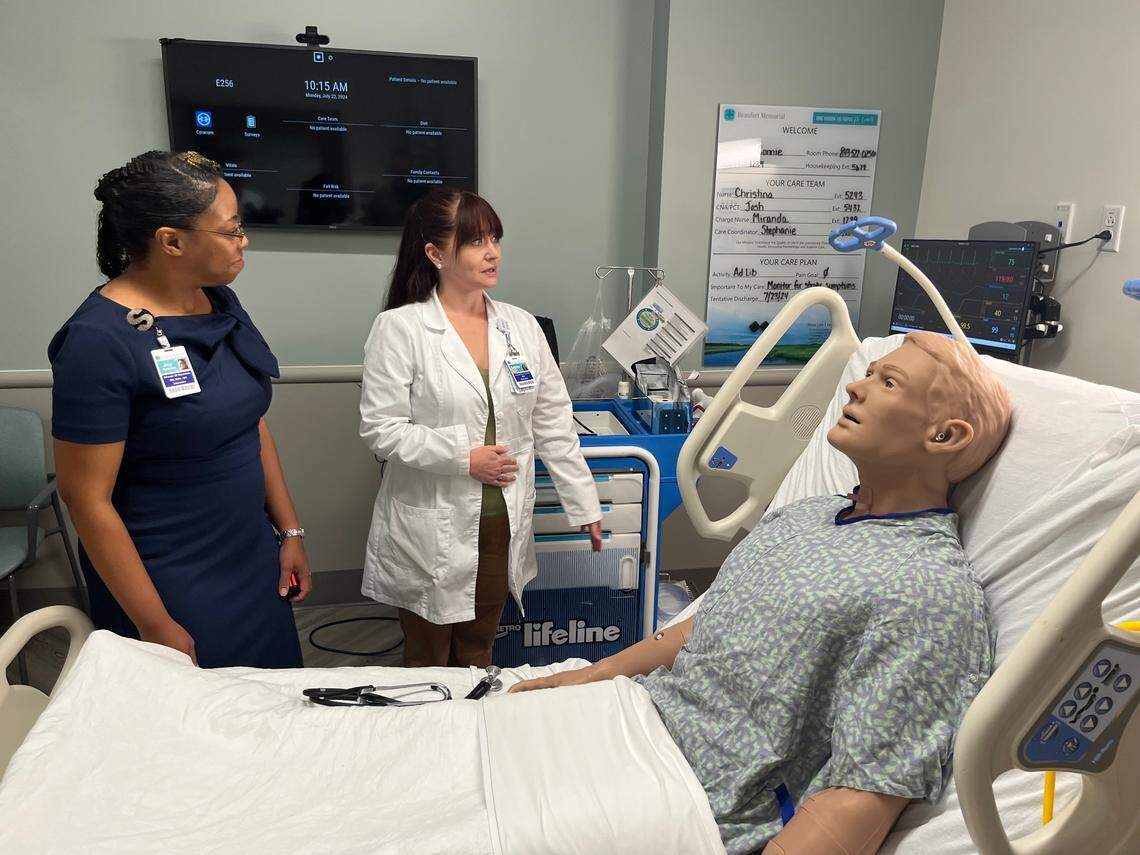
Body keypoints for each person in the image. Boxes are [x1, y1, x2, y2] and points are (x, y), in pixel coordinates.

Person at [511, 332, 1013, 854]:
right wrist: (587, 677)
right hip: (630, 719)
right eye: (869, 373)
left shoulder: (927, 590)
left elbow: (864, 789)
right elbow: (698, 631)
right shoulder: (805, 516)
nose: (857, 390)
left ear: (945, 436)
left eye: (888, 382)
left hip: (690, 797)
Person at [50, 151, 310, 669]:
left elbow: (248, 422)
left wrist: (289, 531)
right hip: (169, 575)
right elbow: (86, 499)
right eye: (231, 230)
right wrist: (154, 623)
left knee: (272, 709)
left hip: (249, 555)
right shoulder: (97, 342)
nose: (244, 241)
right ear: (171, 241)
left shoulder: (216, 301)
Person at [359, 188, 603, 668]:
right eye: (474, 241)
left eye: (495, 238)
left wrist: (584, 502)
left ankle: (474, 734)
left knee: (479, 650)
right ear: (434, 253)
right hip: (432, 523)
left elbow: (553, 423)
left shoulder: (522, 326)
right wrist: (462, 457)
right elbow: (380, 428)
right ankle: (428, 736)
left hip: (501, 523)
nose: (492, 252)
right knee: (427, 656)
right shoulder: (400, 328)